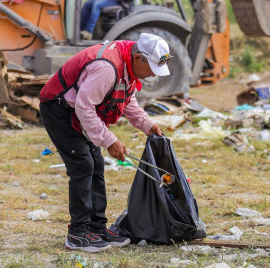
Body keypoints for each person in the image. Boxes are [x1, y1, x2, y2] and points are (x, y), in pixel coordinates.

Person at [39, 33, 174, 252]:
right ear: (139, 57)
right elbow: (84, 106)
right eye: (150, 68)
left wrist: (147, 125)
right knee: (83, 165)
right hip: (60, 109)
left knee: (96, 165)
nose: (151, 74)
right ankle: (78, 234)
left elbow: (126, 99)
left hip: (79, 111)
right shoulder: (107, 68)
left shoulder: (127, 66)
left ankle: (97, 228)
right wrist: (109, 141)